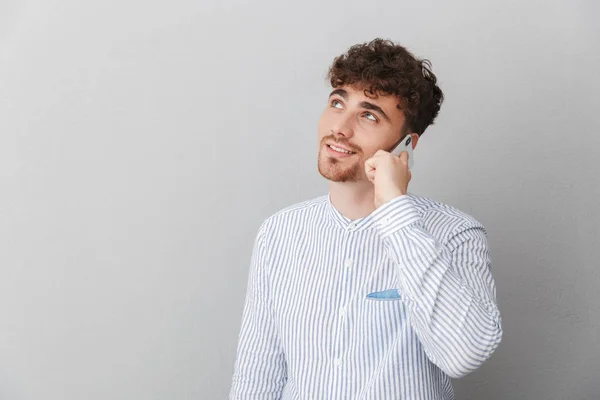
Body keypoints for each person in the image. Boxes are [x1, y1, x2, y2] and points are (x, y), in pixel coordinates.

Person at [229, 38, 502, 399]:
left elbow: (463, 354)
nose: (340, 128)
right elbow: (257, 373)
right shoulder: (280, 232)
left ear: (407, 144)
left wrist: (394, 209)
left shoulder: (455, 234)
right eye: (337, 103)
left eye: (369, 115)